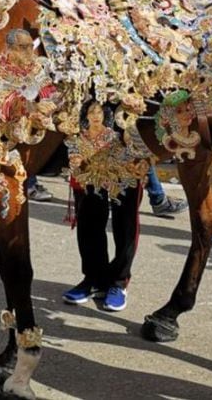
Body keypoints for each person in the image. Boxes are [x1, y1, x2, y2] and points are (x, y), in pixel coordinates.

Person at [61, 100, 145, 313]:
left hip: (127, 143)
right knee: (89, 216)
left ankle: (118, 281)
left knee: (125, 219)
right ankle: (94, 278)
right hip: (87, 142)